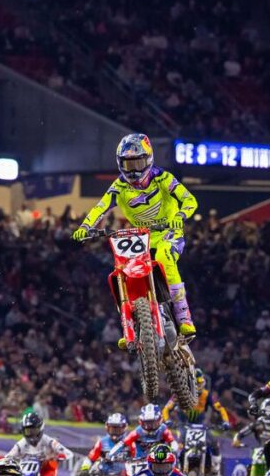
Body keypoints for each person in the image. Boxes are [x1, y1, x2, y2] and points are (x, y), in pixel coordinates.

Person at [72, 133, 199, 341]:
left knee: (165, 257)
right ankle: (129, 324)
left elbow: (190, 200)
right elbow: (100, 208)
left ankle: (184, 317)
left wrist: (180, 216)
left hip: (168, 231)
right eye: (128, 164)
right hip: (141, 237)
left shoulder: (163, 178)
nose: (133, 170)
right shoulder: (119, 187)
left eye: (137, 163)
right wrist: (85, 226)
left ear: (148, 159)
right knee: (124, 269)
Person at [162, 370, 231, 476]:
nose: (199, 386)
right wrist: (167, 421)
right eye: (197, 384)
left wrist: (225, 422)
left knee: (214, 443)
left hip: (201, 427)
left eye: (200, 383)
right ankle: (171, 472)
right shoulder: (179, 394)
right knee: (176, 447)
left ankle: (215, 473)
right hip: (184, 426)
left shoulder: (207, 395)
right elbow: (166, 409)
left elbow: (220, 409)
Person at [107, 404, 179, 460]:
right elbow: (122, 444)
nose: (150, 426)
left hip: (160, 461)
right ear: (141, 421)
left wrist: (173, 451)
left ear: (159, 420)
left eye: (153, 423)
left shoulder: (163, 429)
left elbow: (172, 442)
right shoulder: (138, 431)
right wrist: (110, 454)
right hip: (139, 462)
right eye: (147, 423)